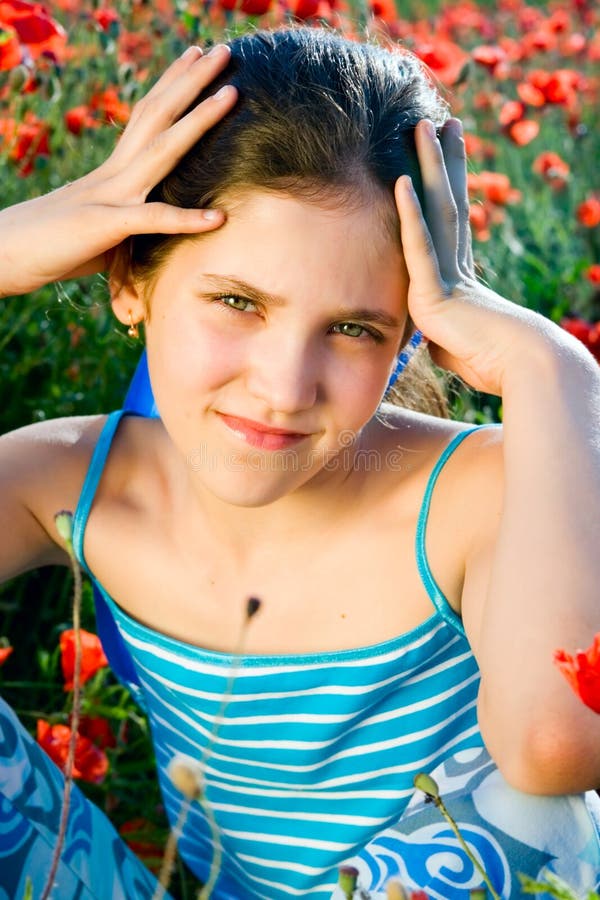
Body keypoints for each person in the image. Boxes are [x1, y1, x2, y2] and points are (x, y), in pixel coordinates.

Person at [0, 25, 599, 900]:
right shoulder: (66, 482)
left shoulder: (473, 495)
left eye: (353, 328)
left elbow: (557, 752)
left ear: (412, 333)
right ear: (130, 281)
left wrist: (555, 370)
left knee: (540, 813)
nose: (285, 388)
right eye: (237, 301)